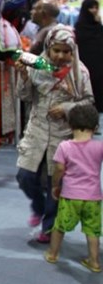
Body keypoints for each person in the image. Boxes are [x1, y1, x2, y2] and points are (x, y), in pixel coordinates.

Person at [15, 25, 95, 243]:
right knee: (24, 176)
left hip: (63, 137)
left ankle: (49, 227)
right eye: (56, 50)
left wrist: (67, 108)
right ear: (48, 48)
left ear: (73, 51)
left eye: (66, 51)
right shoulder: (37, 66)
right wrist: (23, 75)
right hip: (36, 131)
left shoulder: (80, 73)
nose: (60, 56)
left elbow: (88, 102)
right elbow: (24, 96)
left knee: (55, 184)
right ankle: (38, 206)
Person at [44, 104, 103, 273]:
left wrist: (55, 185)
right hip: (93, 198)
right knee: (92, 230)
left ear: (70, 125)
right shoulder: (99, 146)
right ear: (96, 128)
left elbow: (59, 169)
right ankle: (94, 262)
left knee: (60, 226)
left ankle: (52, 254)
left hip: (70, 196)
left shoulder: (65, 147)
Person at [74, 0, 103, 112]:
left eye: (96, 8)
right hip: (84, 65)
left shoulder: (99, 27)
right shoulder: (79, 28)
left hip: (99, 67)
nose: (94, 10)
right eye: (91, 8)